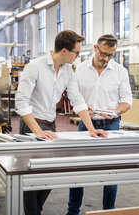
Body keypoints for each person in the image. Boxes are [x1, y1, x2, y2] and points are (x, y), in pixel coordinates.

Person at [16, 30, 108, 215]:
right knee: (33, 176)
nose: (78, 56)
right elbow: (21, 101)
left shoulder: (67, 71)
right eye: (76, 52)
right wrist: (37, 132)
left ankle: (36, 210)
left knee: (51, 174)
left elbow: (77, 99)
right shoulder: (35, 67)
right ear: (64, 51)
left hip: (50, 125)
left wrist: (91, 129)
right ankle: (32, 212)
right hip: (33, 124)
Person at [67, 34, 133, 215]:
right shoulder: (80, 69)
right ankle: (73, 211)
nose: (106, 59)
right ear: (95, 48)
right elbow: (74, 96)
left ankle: (108, 211)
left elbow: (127, 100)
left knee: (111, 171)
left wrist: (116, 111)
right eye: (103, 54)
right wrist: (81, 109)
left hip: (111, 125)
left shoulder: (120, 71)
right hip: (86, 125)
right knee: (78, 170)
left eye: (110, 55)